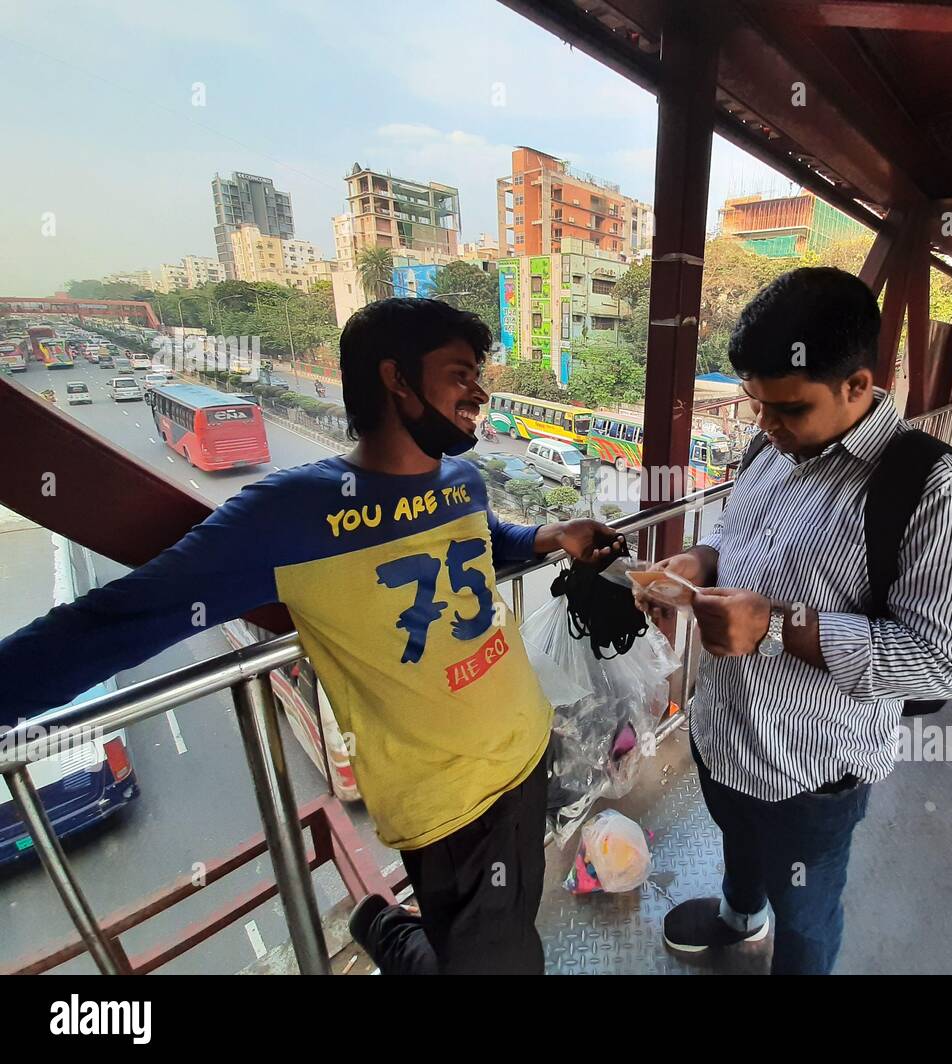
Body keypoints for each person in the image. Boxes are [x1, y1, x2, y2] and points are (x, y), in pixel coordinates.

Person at [0, 297, 624, 975]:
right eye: (460, 373)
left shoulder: (463, 482)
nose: (480, 392)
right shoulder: (290, 514)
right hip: (449, 806)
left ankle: (384, 927)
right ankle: (389, 933)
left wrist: (551, 535)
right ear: (396, 379)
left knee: (504, 926)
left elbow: (485, 542)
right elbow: (122, 617)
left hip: (526, 747)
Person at [638, 268, 952, 975]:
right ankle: (740, 917)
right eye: (758, 407)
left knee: (805, 917)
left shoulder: (930, 492)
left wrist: (775, 625)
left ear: (858, 386)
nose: (768, 428)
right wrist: (701, 562)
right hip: (724, 732)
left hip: (809, 772)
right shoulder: (769, 449)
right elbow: (743, 541)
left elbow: (944, 661)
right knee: (737, 849)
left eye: (790, 409)